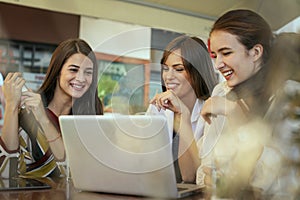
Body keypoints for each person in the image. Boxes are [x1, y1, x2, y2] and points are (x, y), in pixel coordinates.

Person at [196, 9, 285, 198]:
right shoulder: (221, 92)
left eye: (226, 53)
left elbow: (274, 185)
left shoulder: (286, 98)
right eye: (215, 55)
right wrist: (211, 179)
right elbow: (203, 170)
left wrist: (234, 113)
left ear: (255, 52)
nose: (218, 64)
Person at [0, 38, 103, 178]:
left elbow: (79, 173)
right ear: (57, 71)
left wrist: (44, 119)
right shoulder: (28, 113)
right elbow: (5, 172)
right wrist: (11, 106)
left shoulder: (91, 118)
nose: (81, 78)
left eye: (88, 72)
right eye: (74, 70)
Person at [147, 35, 218, 183]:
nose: (168, 76)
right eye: (165, 69)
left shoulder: (212, 113)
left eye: (178, 69)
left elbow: (191, 177)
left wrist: (182, 116)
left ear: (197, 72)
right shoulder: (157, 109)